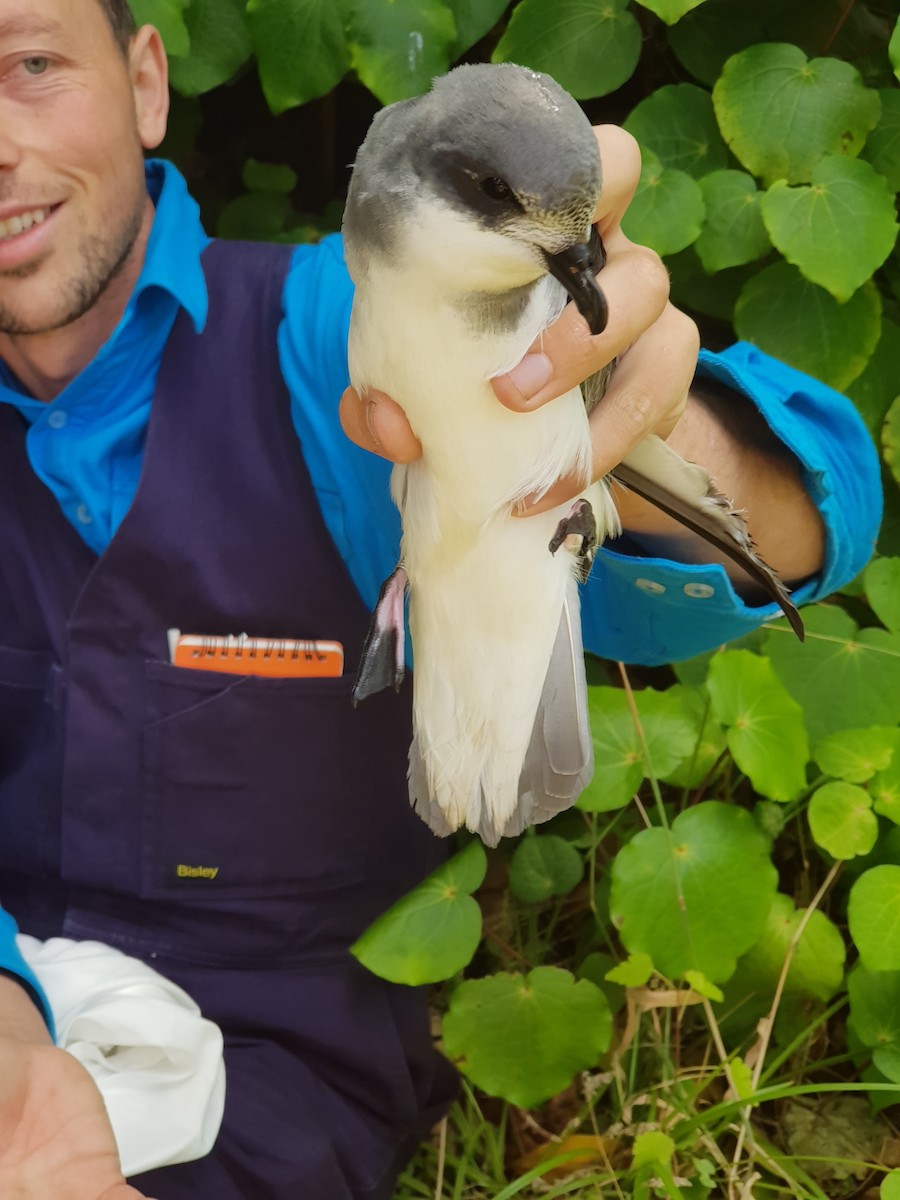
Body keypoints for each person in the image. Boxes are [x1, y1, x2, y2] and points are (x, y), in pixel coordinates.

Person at [0, 2, 881, 1199]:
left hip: (280, 1088)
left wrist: (645, 409)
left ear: (150, 81)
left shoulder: (337, 332)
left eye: (32, 64)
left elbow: (816, 514)